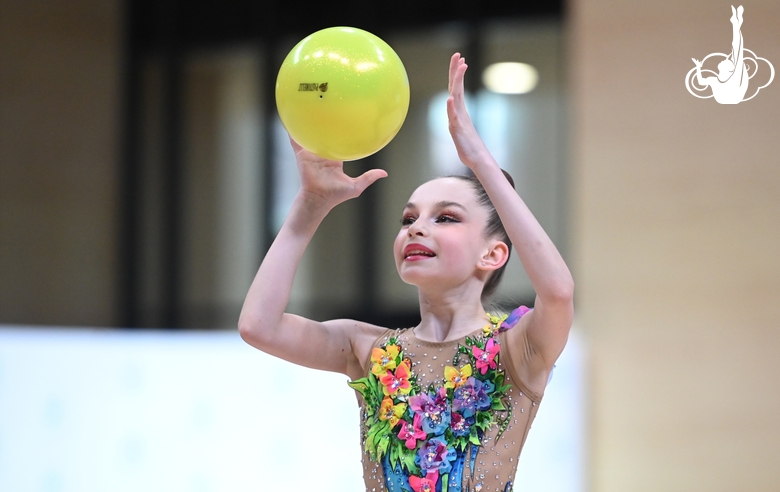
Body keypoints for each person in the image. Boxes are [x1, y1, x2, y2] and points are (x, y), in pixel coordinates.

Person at [238, 53, 574, 492]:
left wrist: (480, 162)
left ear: (493, 254)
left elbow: (559, 292)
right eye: (408, 218)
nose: (416, 226)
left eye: (446, 218)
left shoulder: (519, 348)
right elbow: (258, 326)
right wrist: (310, 205)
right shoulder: (367, 348)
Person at [692, 5, 748, 104]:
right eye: (727, 60)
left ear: (729, 69)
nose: (724, 59)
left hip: (732, 97)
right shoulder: (715, 80)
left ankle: (736, 24)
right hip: (729, 98)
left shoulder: (733, 77)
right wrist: (698, 67)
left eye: (727, 61)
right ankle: (736, 23)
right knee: (737, 52)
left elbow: (737, 49)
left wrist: (698, 68)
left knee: (737, 51)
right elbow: (701, 82)